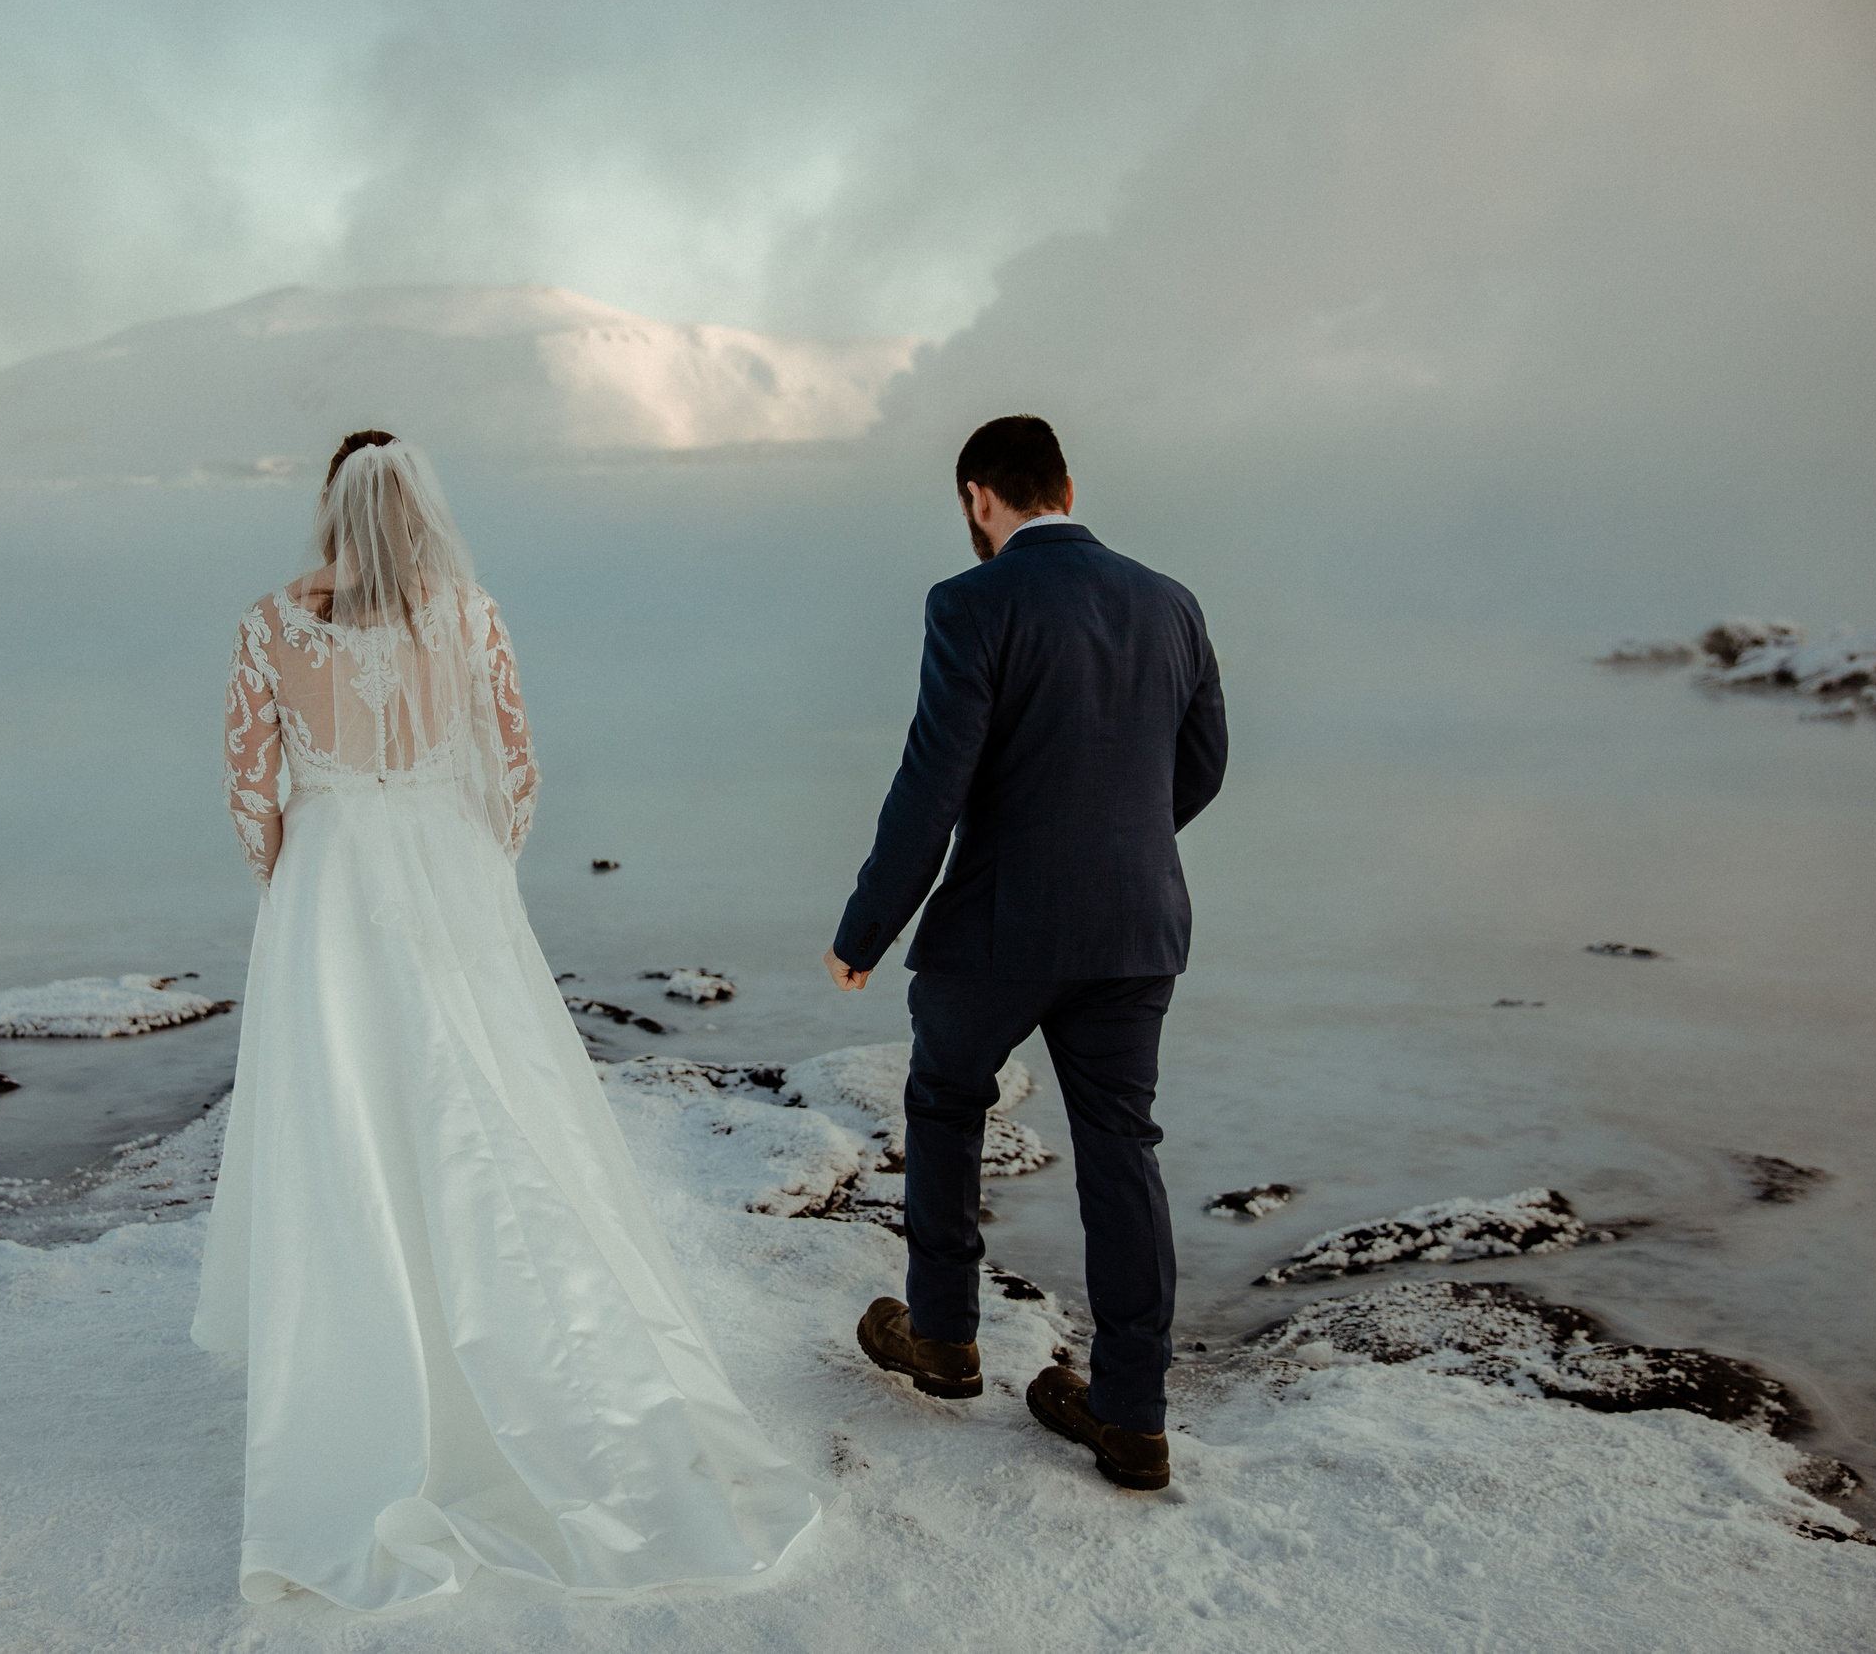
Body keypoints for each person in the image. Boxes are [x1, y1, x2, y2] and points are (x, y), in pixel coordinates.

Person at [195, 431, 833, 1609]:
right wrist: (475, 878)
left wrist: (292, 897)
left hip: (328, 885)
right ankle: (530, 1378)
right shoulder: (469, 613)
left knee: (354, 1132)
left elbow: (249, 791)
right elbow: (518, 770)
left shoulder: (268, 623)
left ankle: (372, 1383)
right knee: (489, 1112)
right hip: (449, 872)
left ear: (330, 504)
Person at [824, 414, 1226, 1492]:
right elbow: (1202, 765)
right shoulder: (1170, 600)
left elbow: (932, 784)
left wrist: (867, 928)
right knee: (1120, 1151)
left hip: (999, 925)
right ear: (1068, 486)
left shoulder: (969, 602)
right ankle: (1130, 1415)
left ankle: (947, 1337)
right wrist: (1117, 847)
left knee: (949, 1101)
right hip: (1138, 927)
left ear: (976, 498)